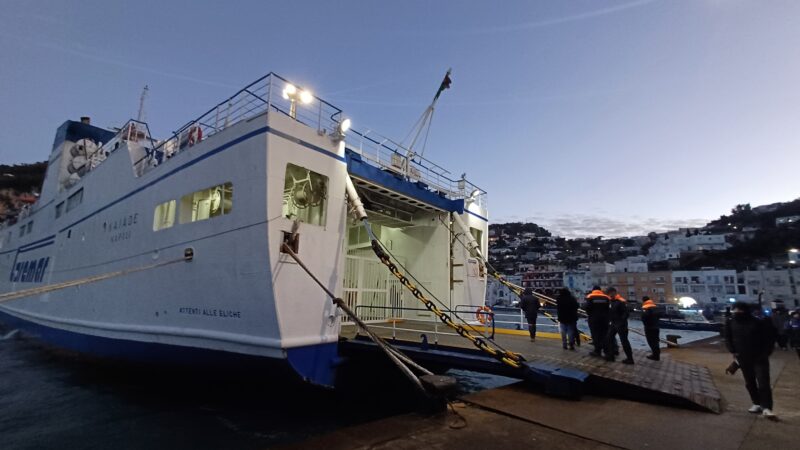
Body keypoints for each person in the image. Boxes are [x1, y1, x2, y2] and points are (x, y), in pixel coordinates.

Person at [724, 301, 778, 418]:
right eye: (735, 310)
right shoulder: (730, 322)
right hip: (742, 358)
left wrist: (766, 353)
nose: (737, 312)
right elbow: (728, 337)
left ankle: (767, 407)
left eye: (740, 310)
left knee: (763, 383)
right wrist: (733, 350)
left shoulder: (758, 322)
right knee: (750, 382)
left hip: (759, 357)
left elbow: (768, 339)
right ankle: (756, 403)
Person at [605, 287, 633, 364]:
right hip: (613, 323)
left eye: (610, 293)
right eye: (608, 294)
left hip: (621, 324)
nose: (609, 295)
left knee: (624, 341)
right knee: (608, 338)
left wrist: (621, 321)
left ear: (614, 292)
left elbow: (626, 313)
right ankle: (611, 356)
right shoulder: (611, 301)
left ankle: (630, 359)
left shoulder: (621, 301)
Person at [584, 286, 611, 357]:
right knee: (604, 335)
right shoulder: (606, 297)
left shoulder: (590, 296)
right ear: (600, 290)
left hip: (594, 319)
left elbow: (587, 307)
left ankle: (597, 351)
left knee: (595, 335)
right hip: (605, 319)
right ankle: (607, 352)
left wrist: (590, 315)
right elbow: (609, 308)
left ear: (593, 290)